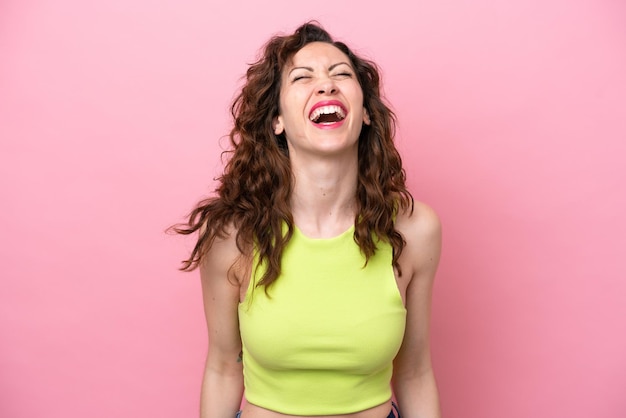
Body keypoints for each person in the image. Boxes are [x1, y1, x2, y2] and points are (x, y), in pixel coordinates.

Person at [173, 22, 442, 418]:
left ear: (366, 113)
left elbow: (415, 372)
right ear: (276, 120)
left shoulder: (414, 230)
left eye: (341, 75)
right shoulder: (234, 237)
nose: (326, 85)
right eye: (302, 77)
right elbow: (222, 369)